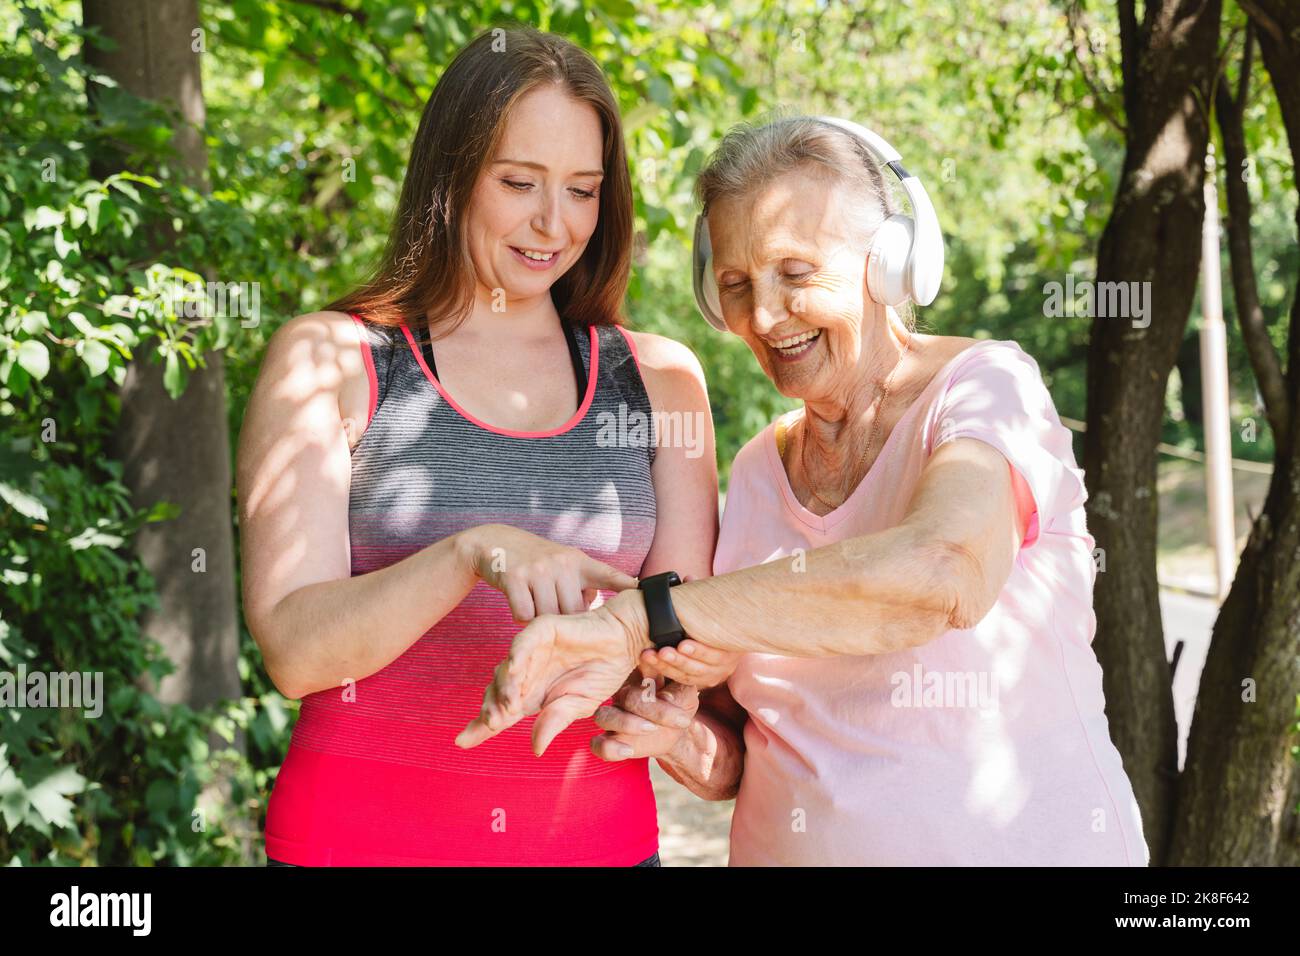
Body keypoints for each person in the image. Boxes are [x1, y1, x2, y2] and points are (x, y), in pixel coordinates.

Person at [457, 116, 1150, 867]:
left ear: (890, 263)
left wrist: (641, 619)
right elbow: (746, 756)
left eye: (794, 274)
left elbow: (941, 575)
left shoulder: (985, 390)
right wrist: (683, 738)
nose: (761, 316)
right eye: (735, 285)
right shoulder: (758, 470)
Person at [237, 26, 717, 866]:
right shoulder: (328, 361)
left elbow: (682, 640)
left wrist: (670, 687)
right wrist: (469, 553)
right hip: (354, 844)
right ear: (452, 177)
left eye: (583, 190)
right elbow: (295, 651)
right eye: (519, 182)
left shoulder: (660, 381)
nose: (552, 223)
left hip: (597, 845)